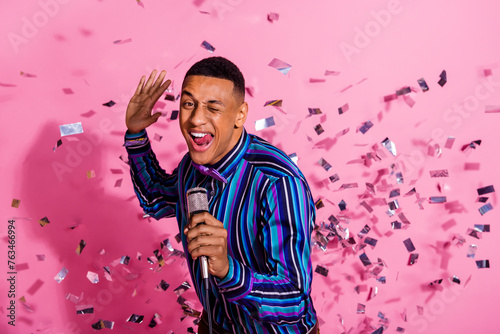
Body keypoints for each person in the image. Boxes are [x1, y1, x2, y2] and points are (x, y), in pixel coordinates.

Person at [124, 57, 319, 333]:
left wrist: (228, 270)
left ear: (240, 115)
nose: (196, 119)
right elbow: (156, 199)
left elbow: (294, 302)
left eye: (213, 107)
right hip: (215, 325)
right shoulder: (192, 167)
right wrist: (136, 133)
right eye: (189, 104)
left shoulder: (278, 182)